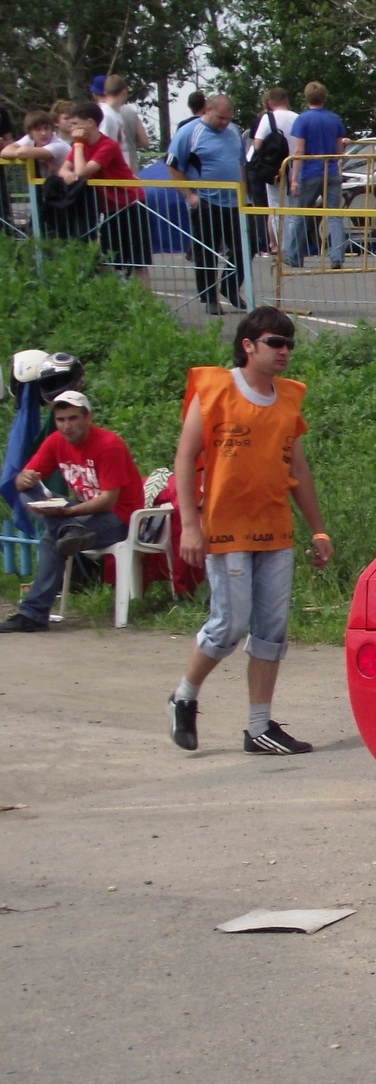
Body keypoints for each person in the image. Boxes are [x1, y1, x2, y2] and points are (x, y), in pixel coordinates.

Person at [167, 308, 332, 754]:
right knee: (229, 625)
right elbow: (185, 458)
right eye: (276, 343)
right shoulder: (214, 389)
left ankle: (259, 726)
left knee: (271, 629)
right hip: (225, 528)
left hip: (273, 529)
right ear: (248, 345)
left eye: (290, 344)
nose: (284, 352)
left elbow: (298, 466)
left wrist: (318, 530)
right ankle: (184, 695)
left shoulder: (289, 398)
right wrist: (190, 525)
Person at [0, 390, 143, 634]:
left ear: (88, 418)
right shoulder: (55, 441)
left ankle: (33, 614)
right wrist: (23, 479)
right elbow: (25, 480)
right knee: (27, 493)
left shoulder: (109, 445)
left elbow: (109, 501)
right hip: (79, 517)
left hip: (118, 518)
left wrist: (68, 513)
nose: (67, 426)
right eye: (61, 419)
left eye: (73, 418)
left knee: (51, 537)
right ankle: (68, 531)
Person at [166, 93, 249, 315]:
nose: (224, 123)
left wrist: (244, 194)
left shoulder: (234, 132)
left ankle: (230, 287)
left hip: (233, 201)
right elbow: (173, 165)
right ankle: (209, 296)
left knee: (245, 245)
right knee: (206, 251)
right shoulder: (189, 133)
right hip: (206, 201)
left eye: (228, 118)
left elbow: (241, 163)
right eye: (220, 118)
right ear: (207, 111)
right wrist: (189, 196)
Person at [60, 102, 150, 287]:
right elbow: (65, 169)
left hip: (129, 203)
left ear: (90, 123)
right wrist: (67, 174)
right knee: (109, 257)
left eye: (76, 123)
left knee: (137, 259)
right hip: (108, 207)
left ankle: (145, 301)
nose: (72, 128)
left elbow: (83, 170)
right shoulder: (81, 146)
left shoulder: (107, 145)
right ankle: (114, 298)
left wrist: (78, 145)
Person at [288, 81, 349, 269]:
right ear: (324, 97)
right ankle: (337, 255)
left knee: (301, 214)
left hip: (310, 172)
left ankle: (295, 255)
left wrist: (294, 178)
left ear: (306, 98)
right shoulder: (334, 119)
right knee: (334, 215)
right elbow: (339, 150)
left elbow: (299, 151)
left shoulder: (302, 120)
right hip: (330, 170)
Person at [247, 87, 300, 257]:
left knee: (277, 207)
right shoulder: (297, 118)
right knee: (294, 209)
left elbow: (257, 144)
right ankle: (294, 247)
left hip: (275, 168)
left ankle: (284, 247)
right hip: (296, 165)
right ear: (286, 100)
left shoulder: (268, 118)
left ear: (270, 102)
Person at [100, 74, 148, 165]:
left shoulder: (115, 114)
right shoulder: (106, 116)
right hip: (112, 171)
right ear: (124, 92)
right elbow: (102, 147)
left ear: (105, 92)